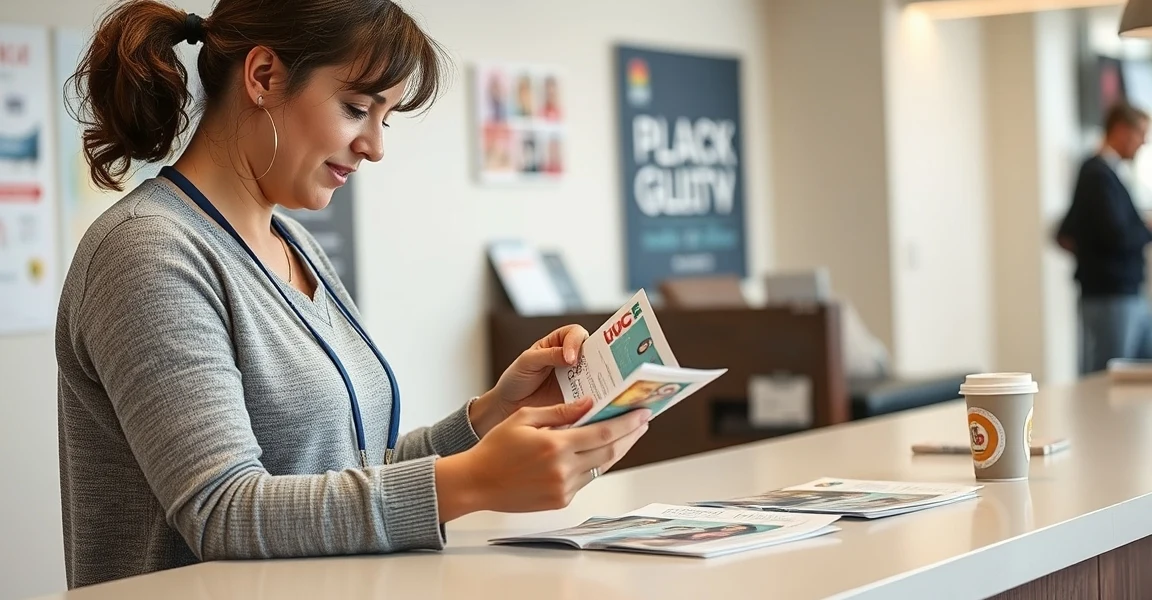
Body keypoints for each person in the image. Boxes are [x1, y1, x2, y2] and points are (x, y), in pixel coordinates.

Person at [56, 0, 651, 589]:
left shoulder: (293, 245)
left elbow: (352, 473)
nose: (375, 146)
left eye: (384, 118)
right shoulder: (147, 252)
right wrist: (472, 482)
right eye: (356, 109)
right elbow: (223, 511)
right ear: (263, 77)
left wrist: (494, 412)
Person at [1056, 102, 1152, 374]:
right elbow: (1114, 234)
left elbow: (1068, 230)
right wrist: (1146, 227)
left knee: (1135, 370)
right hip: (1110, 294)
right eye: (1140, 133)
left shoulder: (1107, 174)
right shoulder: (1097, 174)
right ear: (1121, 130)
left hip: (1124, 291)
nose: (1143, 142)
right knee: (1108, 377)